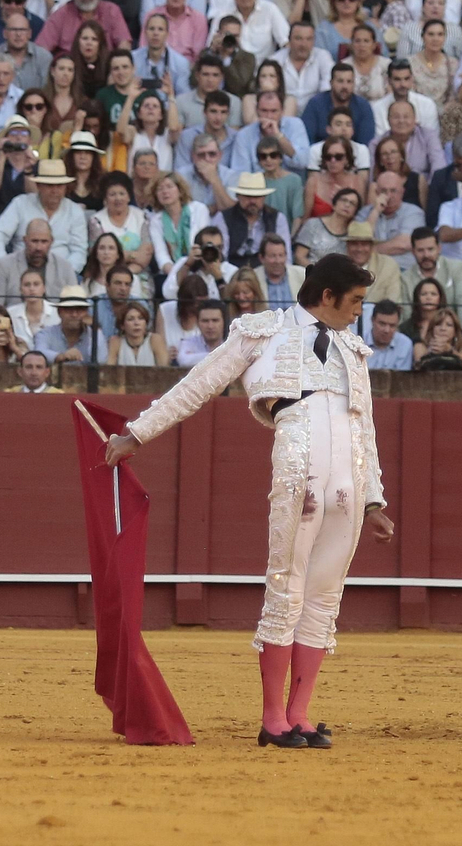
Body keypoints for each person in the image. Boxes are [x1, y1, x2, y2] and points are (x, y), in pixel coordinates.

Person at [105, 254, 392, 749]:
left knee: (324, 595)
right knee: (288, 585)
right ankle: (272, 717)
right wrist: (138, 431)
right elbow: (199, 384)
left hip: (348, 475)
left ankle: (300, 713)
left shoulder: (353, 348)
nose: (358, 313)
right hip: (299, 463)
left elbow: (362, 425)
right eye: (355, 302)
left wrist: (373, 500)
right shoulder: (263, 331)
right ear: (327, 296)